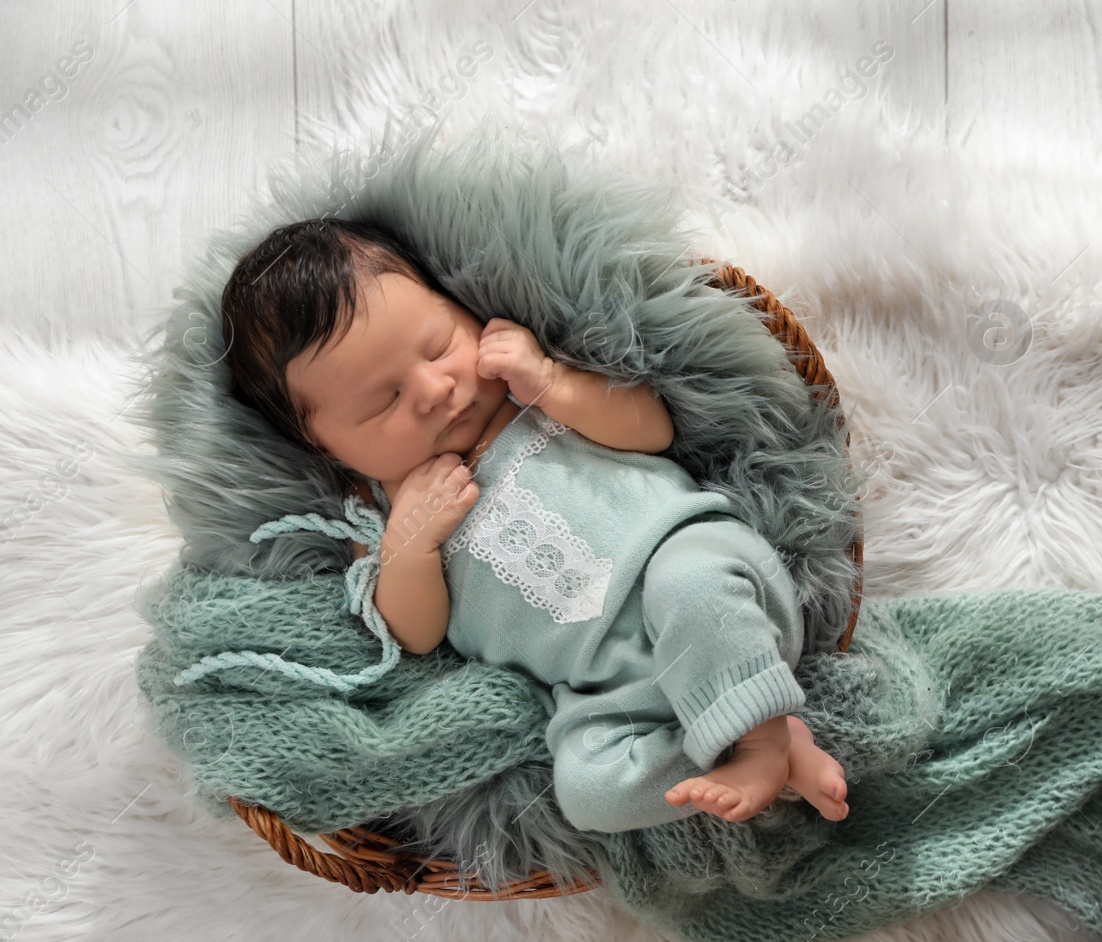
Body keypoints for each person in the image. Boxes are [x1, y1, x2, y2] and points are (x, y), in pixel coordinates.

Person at [219, 217, 849, 833]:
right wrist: (410, 546)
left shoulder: (526, 397)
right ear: (326, 449)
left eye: (439, 346)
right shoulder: (381, 523)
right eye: (383, 402)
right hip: (612, 691)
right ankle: (746, 740)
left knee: (688, 585)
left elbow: (654, 430)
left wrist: (553, 382)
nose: (436, 387)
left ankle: (759, 742)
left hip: (705, 575)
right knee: (587, 794)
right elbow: (415, 635)